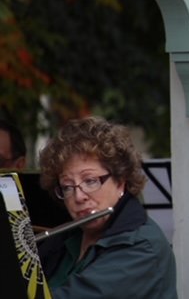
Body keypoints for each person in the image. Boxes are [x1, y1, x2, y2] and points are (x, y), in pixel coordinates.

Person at [37, 116, 177, 298]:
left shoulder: (143, 247)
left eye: (91, 181)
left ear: (120, 181)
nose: (78, 196)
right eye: (67, 187)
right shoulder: (68, 239)